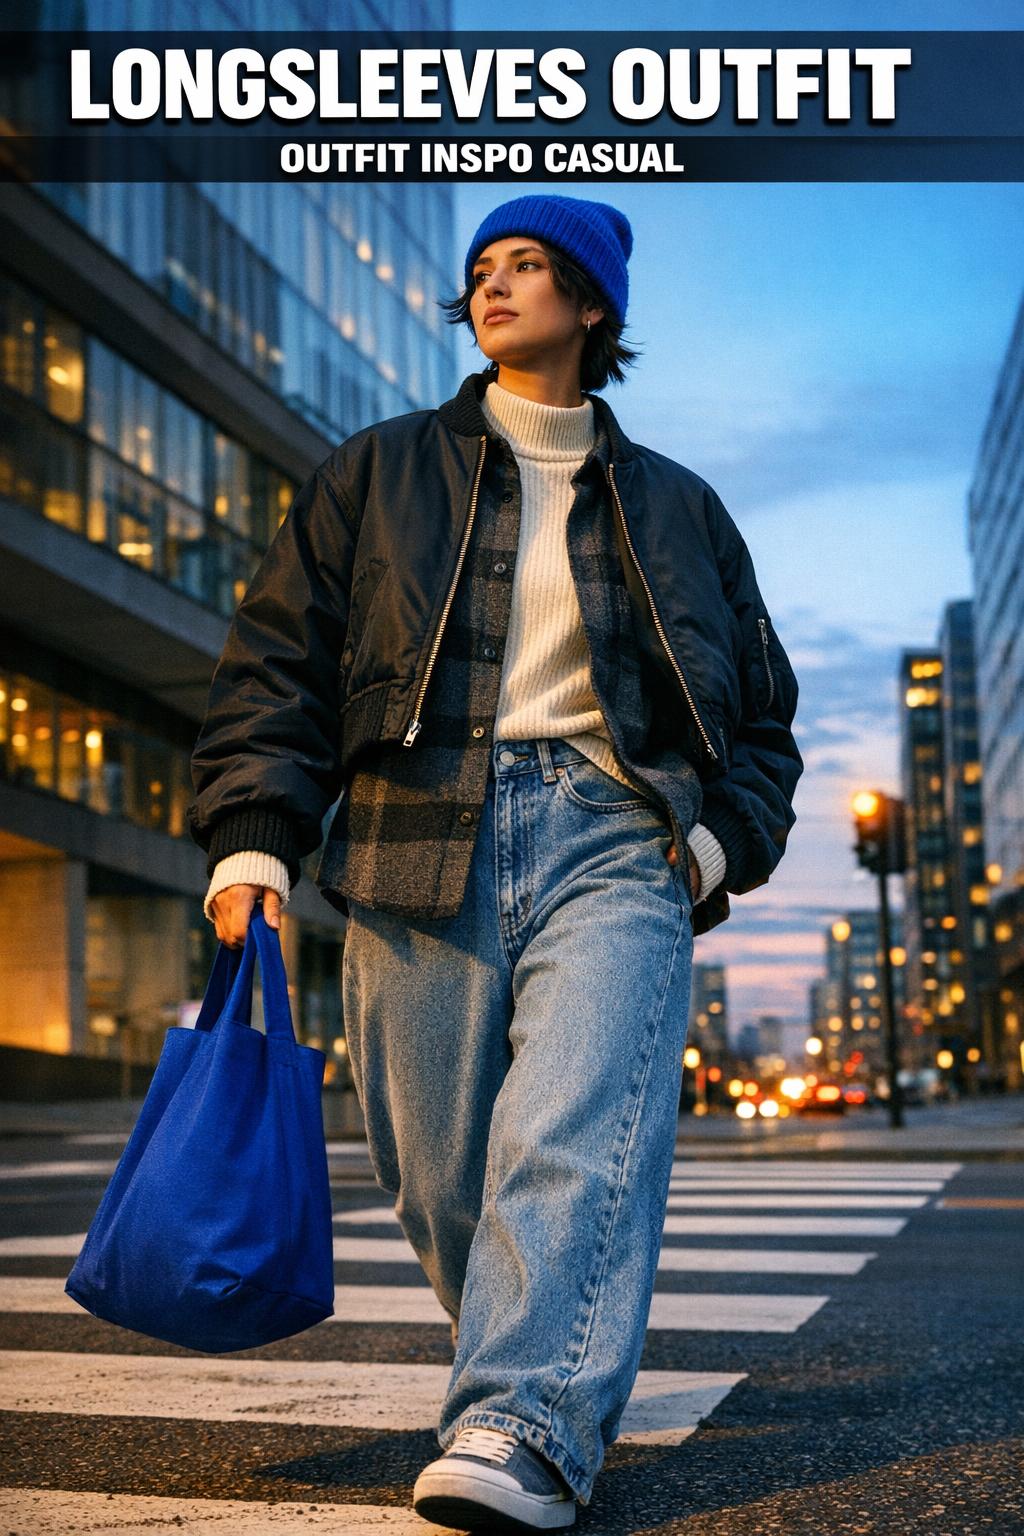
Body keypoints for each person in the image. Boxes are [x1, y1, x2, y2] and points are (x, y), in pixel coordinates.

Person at [187, 194, 803, 1532]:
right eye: (482, 269)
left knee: (571, 1133)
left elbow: (762, 717)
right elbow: (277, 667)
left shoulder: (682, 509)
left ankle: (523, 1420)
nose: (497, 286)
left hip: (615, 835)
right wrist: (254, 841)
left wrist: (703, 846)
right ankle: (534, 1367)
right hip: (415, 826)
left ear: (592, 306)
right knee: (437, 1166)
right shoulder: (376, 472)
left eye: (530, 266)